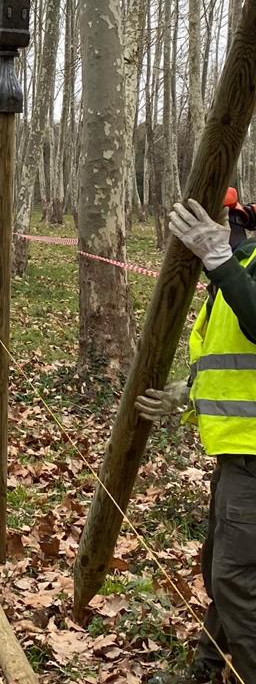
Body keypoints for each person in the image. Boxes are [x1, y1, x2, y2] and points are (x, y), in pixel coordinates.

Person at [137, 198, 256, 684]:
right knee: (224, 572)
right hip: (238, 452)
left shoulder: (234, 268)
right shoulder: (241, 267)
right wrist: (190, 393)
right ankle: (210, 668)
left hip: (252, 456)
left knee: (234, 579)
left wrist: (220, 261)